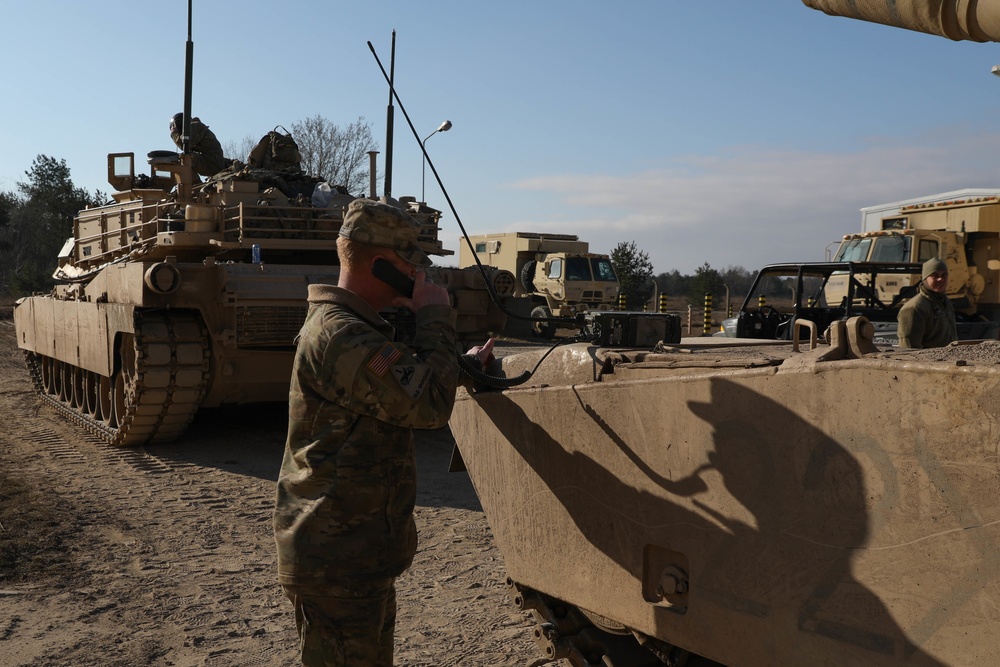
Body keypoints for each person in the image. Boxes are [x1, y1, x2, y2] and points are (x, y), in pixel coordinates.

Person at [273, 198, 493, 666]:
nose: (421, 278)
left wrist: (464, 364)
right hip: (336, 559)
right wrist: (435, 317)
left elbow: (406, 380)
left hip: (354, 554)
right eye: (410, 266)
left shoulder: (359, 329)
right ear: (379, 265)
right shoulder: (341, 336)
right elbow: (428, 406)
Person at [896, 257, 958, 349]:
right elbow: (908, 348)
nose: (940, 279)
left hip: (948, 361)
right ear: (925, 279)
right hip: (928, 362)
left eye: (944, 275)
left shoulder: (946, 303)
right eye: (935, 276)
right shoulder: (915, 308)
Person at [168, 112, 228, 177]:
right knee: (185, 157)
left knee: (185, 159)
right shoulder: (195, 127)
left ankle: (194, 185)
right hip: (212, 162)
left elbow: (184, 144)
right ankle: (194, 185)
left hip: (213, 164)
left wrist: (174, 133)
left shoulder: (195, 127)